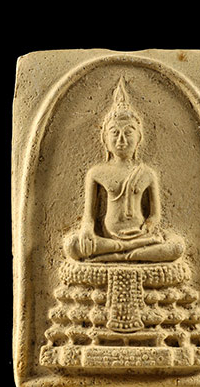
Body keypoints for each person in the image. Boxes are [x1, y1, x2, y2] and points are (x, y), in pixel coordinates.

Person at [64, 78, 184, 262]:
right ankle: (129, 251)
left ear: (139, 138)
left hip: (141, 235)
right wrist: (86, 230)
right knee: (71, 245)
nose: (121, 140)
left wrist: (149, 226)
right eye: (115, 133)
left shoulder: (147, 173)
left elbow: (154, 215)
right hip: (109, 237)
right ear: (105, 139)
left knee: (177, 247)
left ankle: (118, 254)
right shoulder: (96, 173)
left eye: (128, 133)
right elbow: (88, 217)